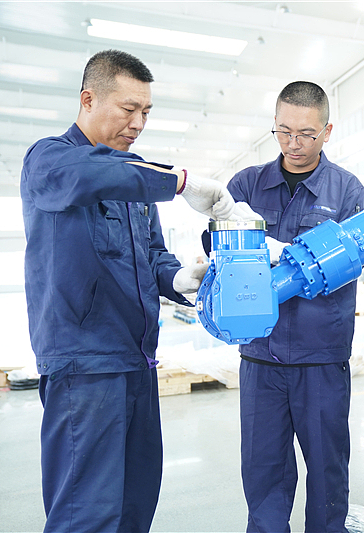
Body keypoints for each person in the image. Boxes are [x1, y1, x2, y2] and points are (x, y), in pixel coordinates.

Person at [20, 49, 236, 533]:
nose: (138, 123)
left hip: (137, 362)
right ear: (88, 99)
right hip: (84, 367)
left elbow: (152, 254)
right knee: (87, 514)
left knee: (135, 505)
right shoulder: (49, 159)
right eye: (128, 109)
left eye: (146, 112)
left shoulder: (132, 179)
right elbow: (90, 174)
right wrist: (180, 181)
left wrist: (178, 278)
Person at [226, 81, 364, 532]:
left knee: (327, 470)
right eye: (284, 132)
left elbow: (351, 264)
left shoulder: (346, 191)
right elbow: (220, 252)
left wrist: (282, 255)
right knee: (262, 468)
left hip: (319, 356)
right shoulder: (246, 185)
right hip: (260, 356)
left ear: (327, 131)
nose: (293, 144)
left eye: (306, 134)